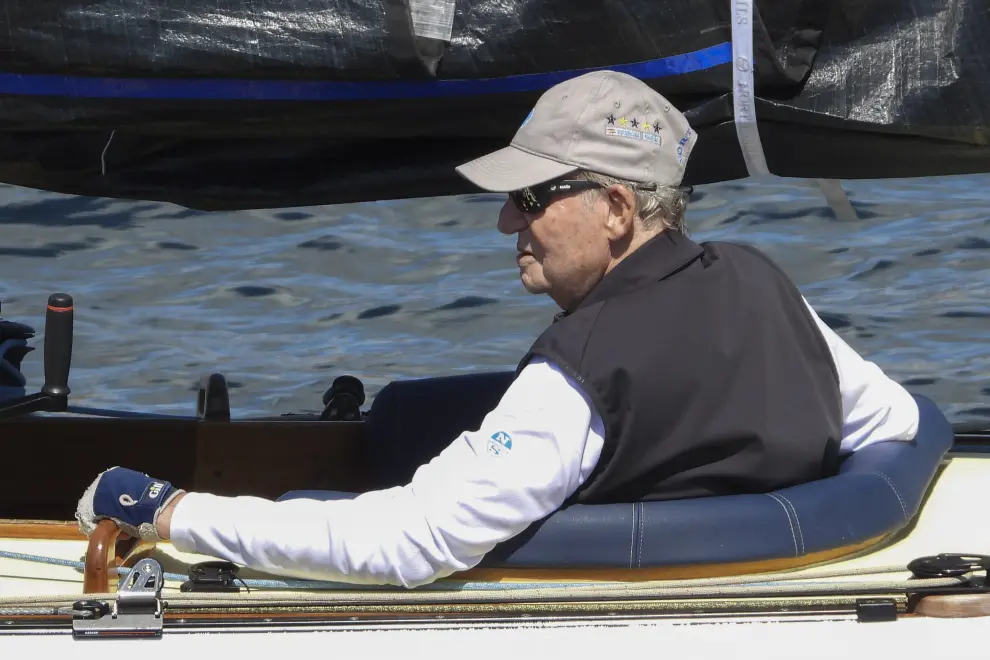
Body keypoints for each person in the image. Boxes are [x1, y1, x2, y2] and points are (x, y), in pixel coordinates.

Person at [75, 70, 920, 588]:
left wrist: (170, 510)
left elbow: (408, 542)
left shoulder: (578, 372)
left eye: (529, 200)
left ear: (617, 208)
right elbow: (893, 423)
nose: (507, 225)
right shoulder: (759, 278)